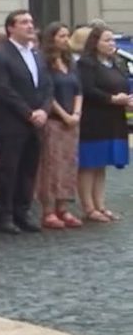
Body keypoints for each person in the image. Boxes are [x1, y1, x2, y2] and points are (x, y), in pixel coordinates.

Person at [0, 10, 53, 235]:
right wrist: (28, 113)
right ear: (10, 28)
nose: (29, 26)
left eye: (31, 22)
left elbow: (46, 86)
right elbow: (4, 89)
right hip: (12, 122)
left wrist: (44, 110)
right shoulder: (1, 54)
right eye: (24, 22)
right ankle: (4, 216)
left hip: (36, 122)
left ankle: (22, 212)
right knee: (9, 169)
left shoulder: (36, 54)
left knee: (28, 169)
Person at [76, 25, 128, 223]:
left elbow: (120, 84)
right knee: (90, 164)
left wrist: (126, 99)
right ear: (95, 42)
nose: (111, 44)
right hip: (93, 120)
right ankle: (89, 207)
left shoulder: (113, 63)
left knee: (101, 165)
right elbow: (87, 89)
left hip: (113, 119)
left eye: (112, 40)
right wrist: (112, 99)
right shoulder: (86, 64)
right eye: (107, 40)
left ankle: (101, 204)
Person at [35, 22, 82, 228]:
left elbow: (78, 90)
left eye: (67, 36)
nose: (66, 40)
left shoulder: (70, 62)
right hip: (54, 121)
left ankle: (64, 207)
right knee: (50, 166)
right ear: (52, 38)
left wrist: (76, 113)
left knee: (68, 165)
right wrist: (64, 115)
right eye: (62, 36)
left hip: (72, 123)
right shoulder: (44, 63)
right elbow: (48, 94)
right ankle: (48, 209)